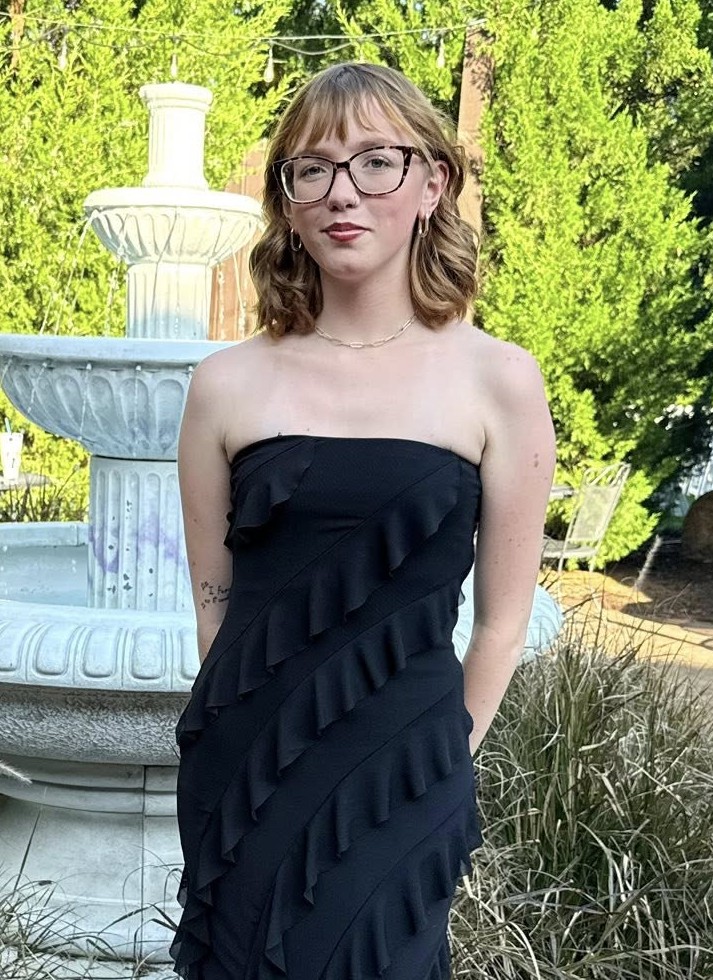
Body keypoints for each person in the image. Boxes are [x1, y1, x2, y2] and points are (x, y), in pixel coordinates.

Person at [171, 61, 555, 980]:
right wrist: (247, 745)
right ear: (289, 203)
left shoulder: (497, 381)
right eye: (313, 169)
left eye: (375, 162)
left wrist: (432, 760)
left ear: (431, 183)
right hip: (247, 771)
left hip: (406, 772)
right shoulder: (225, 385)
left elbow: (501, 624)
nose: (343, 192)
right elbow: (215, 611)